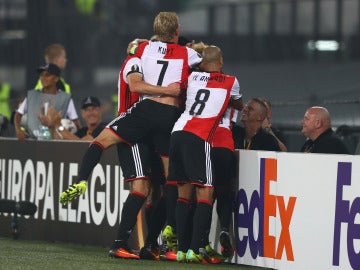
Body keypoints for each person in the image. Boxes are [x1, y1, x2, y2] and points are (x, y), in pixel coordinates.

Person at [58, 11, 202, 260]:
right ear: (177, 32)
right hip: (169, 118)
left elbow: (135, 80)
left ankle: (82, 180)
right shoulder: (188, 54)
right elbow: (204, 55)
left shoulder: (141, 50)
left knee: (104, 145)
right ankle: (165, 238)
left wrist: (139, 47)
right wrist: (170, 88)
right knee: (169, 183)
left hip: (143, 116)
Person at [168, 45, 243, 264]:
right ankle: (195, 248)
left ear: (202, 63)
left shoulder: (192, 78)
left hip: (177, 132)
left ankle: (181, 250)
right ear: (220, 62)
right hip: (198, 138)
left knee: (183, 194)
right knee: (206, 194)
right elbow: (237, 103)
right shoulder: (231, 81)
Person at [14, 64, 80, 141]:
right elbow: (18, 115)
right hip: (33, 143)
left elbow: (76, 124)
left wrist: (67, 133)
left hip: (56, 144)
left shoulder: (66, 98)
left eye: (47, 75)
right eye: (41, 75)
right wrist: (18, 130)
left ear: (56, 78)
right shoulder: (32, 95)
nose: (43, 78)